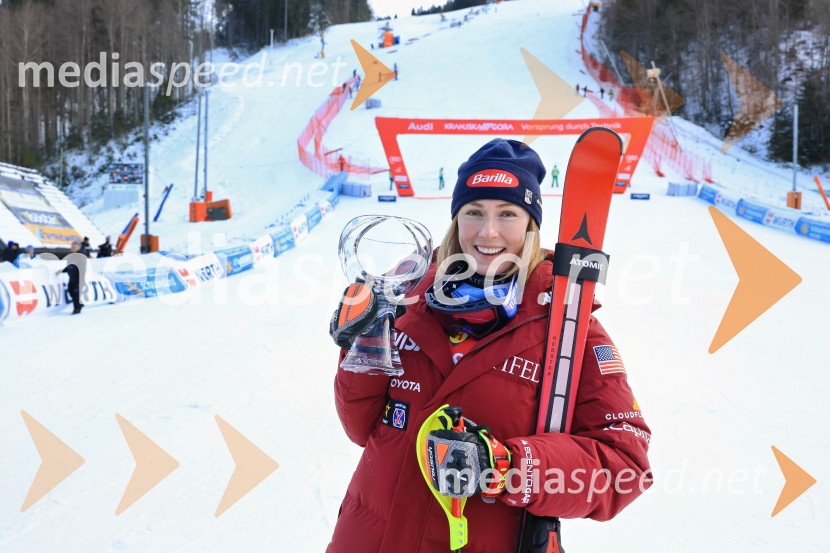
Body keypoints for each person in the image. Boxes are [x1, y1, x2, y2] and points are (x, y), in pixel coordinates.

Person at [327, 139, 652, 552]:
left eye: (508, 214)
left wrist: (509, 467)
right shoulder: (407, 298)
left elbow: (625, 465)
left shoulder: (569, 327)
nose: (488, 231)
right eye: (474, 212)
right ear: (456, 218)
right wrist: (360, 348)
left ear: (531, 224)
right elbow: (361, 427)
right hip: (370, 537)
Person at [56, 240, 87, 314]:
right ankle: (79, 304)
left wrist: (80, 281)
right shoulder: (71, 255)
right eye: (71, 246)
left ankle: (77, 309)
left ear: (78, 248)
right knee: (71, 291)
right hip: (72, 278)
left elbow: (82, 269)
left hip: (78, 278)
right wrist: (61, 271)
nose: (72, 248)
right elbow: (70, 266)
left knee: (75, 293)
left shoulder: (81, 256)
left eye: (74, 247)